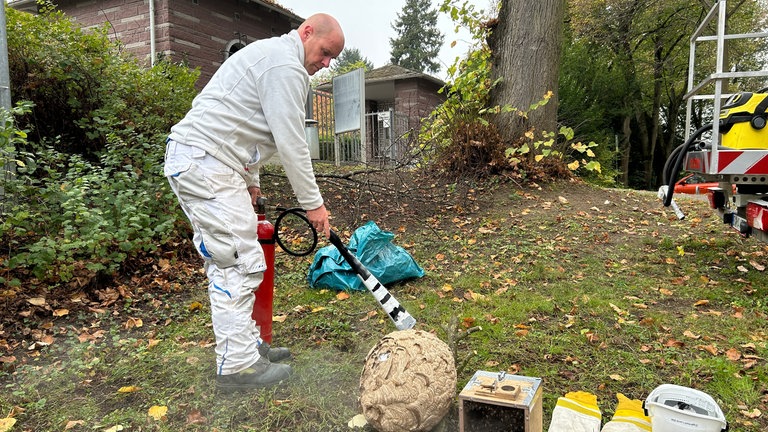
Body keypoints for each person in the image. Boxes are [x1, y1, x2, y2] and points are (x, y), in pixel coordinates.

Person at [163, 13, 344, 392]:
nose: (326, 63)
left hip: (211, 160)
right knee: (238, 261)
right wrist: (314, 205)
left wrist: (251, 182)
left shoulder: (274, 58)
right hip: (205, 161)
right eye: (326, 52)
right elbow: (292, 142)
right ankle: (238, 367)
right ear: (307, 32)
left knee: (235, 257)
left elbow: (252, 129)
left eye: (332, 59)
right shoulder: (285, 66)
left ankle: (245, 347)